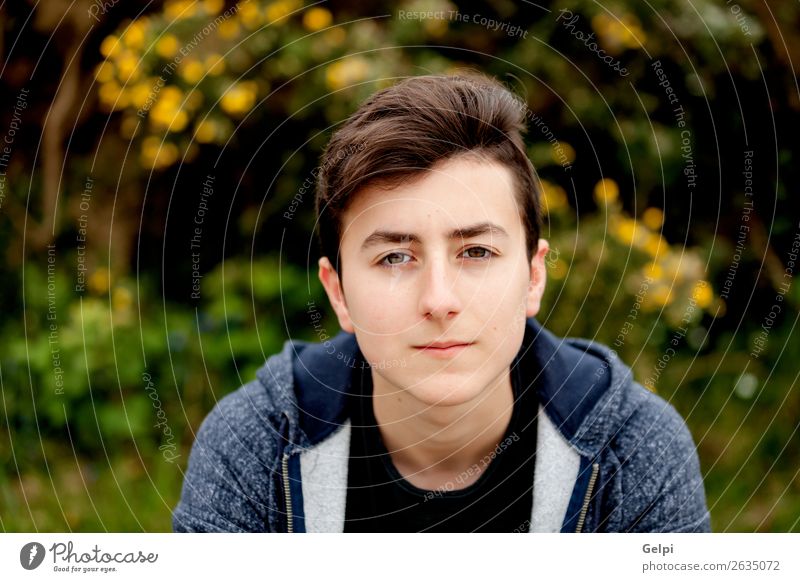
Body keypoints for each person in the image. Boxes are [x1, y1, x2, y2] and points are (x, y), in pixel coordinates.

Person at [172, 73, 710, 533]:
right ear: (338, 293)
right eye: (394, 258)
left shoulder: (635, 450)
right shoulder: (254, 446)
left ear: (533, 276)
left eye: (476, 251)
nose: (439, 300)